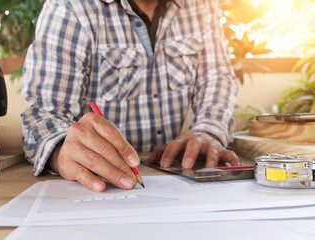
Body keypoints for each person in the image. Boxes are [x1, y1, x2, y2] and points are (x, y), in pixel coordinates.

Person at [21, 0, 240, 192]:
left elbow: (217, 77)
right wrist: (61, 150)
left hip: (174, 178)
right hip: (96, 187)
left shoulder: (202, 4)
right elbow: (43, 116)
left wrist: (208, 130)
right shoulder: (70, 7)